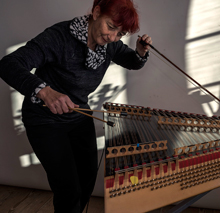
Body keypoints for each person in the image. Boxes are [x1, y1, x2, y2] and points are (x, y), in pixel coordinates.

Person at [0, 0, 152, 212]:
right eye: (111, 26)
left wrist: (140, 52)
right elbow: (8, 64)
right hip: (45, 120)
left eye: (120, 33)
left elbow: (131, 61)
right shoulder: (59, 36)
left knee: (87, 179)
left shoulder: (109, 45)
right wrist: (45, 91)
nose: (112, 37)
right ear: (97, 12)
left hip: (78, 115)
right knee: (68, 190)